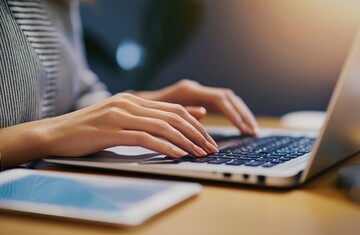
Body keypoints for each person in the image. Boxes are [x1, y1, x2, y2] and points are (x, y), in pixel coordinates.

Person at [0, 0, 258, 170]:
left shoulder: (59, 5)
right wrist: (51, 134)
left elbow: (78, 97)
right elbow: (62, 126)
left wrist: (151, 103)